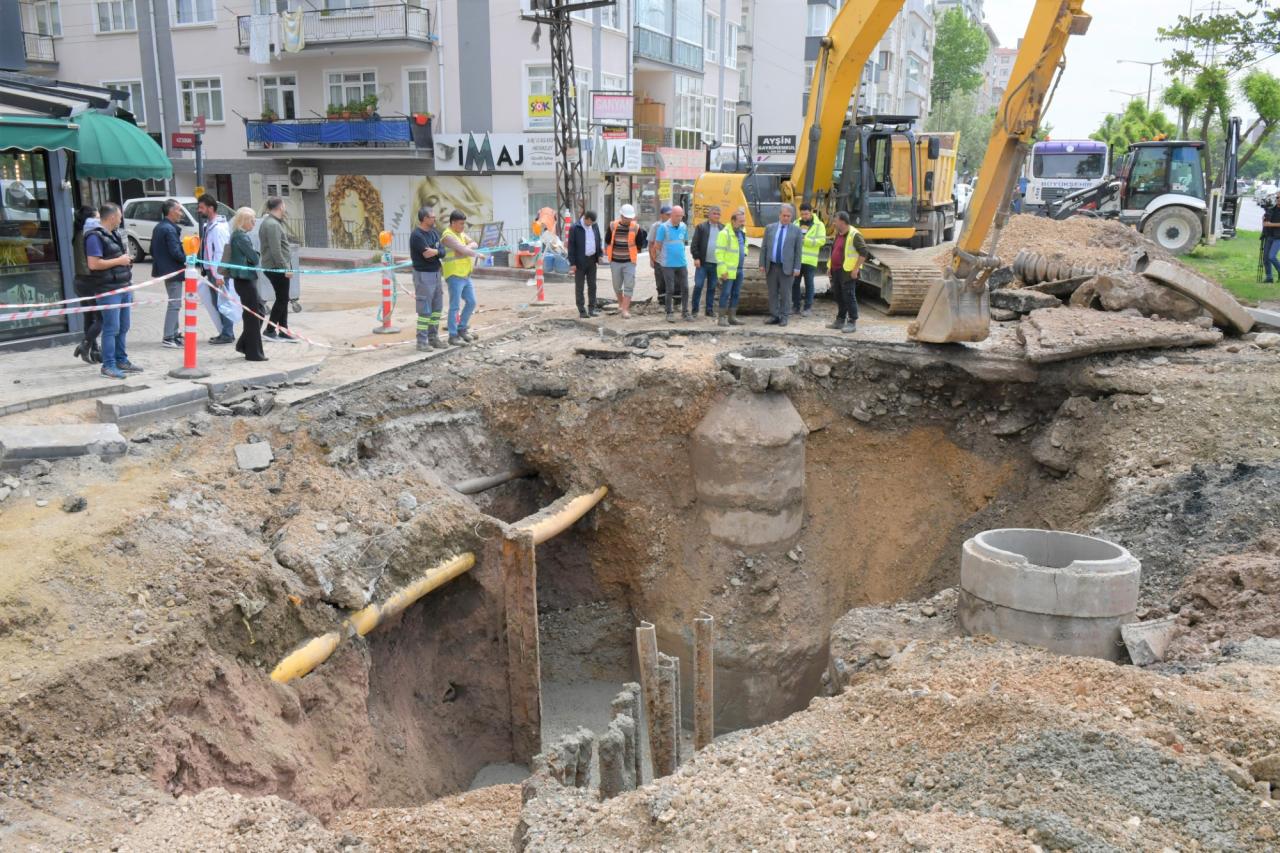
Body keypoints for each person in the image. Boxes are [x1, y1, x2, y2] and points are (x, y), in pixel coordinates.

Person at [84, 202, 141, 379]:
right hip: (108, 289)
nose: (121, 218)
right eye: (120, 215)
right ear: (111, 217)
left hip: (122, 286)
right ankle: (108, 365)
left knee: (123, 326)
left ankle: (121, 360)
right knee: (111, 328)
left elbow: (116, 258)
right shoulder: (94, 237)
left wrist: (125, 260)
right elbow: (93, 264)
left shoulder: (114, 234)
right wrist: (119, 261)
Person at [226, 207, 267, 362]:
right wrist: (255, 254)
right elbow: (255, 258)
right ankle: (253, 352)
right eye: (252, 220)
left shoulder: (238, 235)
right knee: (253, 315)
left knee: (258, 311)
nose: (254, 222)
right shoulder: (241, 237)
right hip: (245, 279)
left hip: (244, 279)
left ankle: (245, 344)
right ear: (243, 221)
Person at [440, 210, 484, 345]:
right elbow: (465, 250)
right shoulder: (447, 236)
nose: (463, 226)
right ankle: (453, 336)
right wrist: (475, 254)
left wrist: (465, 248)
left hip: (465, 274)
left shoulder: (461, 234)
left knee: (471, 302)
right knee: (454, 306)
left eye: (464, 224)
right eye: (460, 224)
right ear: (453, 223)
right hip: (454, 274)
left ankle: (462, 328)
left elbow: (474, 244)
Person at [196, 194, 235, 344]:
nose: (199, 210)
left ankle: (227, 333)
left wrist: (219, 275)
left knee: (223, 303)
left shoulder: (218, 229)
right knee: (218, 302)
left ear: (211, 208)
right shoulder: (209, 226)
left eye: (202, 208)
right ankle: (224, 332)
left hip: (218, 274)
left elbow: (221, 252)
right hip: (212, 272)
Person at [408, 205, 447, 351]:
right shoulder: (417, 236)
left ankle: (433, 338)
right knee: (425, 310)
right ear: (425, 219)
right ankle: (421, 341)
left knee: (437, 308)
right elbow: (427, 255)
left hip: (436, 273)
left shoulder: (434, 233)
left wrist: (436, 251)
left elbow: (443, 252)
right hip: (424, 275)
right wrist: (437, 253)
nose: (435, 218)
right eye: (432, 217)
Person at [151, 198, 187, 349]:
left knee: (175, 303)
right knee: (175, 304)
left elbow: (152, 250)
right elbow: (176, 252)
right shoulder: (169, 229)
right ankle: (168, 336)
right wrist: (189, 259)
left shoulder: (160, 227)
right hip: (173, 271)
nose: (181, 213)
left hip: (166, 270)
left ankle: (174, 333)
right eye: (179, 210)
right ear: (171, 211)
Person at [827, 211, 871, 333]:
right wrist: (829, 267)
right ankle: (840, 320)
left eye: (835, 220)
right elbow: (834, 251)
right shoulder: (839, 234)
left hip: (847, 272)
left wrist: (856, 269)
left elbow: (864, 252)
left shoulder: (854, 235)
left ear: (842, 221)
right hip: (836, 270)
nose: (834, 223)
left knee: (849, 296)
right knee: (838, 295)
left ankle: (852, 321)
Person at [259, 196, 296, 342]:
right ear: (280, 207)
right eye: (284, 205)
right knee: (282, 299)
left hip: (276, 266)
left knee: (283, 298)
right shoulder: (272, 224)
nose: (285, 208)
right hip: (276, 268)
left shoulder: (273, 222)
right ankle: (270, 330)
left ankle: (283, 330)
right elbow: (276, 250)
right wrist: (285, 267)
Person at [759, 204, 803, 326]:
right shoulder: (770, 228)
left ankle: (784, 316)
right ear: (779, 215)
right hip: (771, 266)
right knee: (772, 292)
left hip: (787, 268)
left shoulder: (796, 230)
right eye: (784, 215)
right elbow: (764, 247)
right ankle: (774, 315)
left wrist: (797, 267)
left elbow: (798, 251)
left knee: (786, 293)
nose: (786, 218)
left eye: (789, 216)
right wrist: (762, 264)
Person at [603, 203, 646, 319]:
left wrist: (632, 253)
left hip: (629, 262)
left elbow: (640, 244)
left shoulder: (636, 228)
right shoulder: (613, 226)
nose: (628, 220)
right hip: (615, 261)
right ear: (621, 216)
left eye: (630, 218)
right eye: (626, 218)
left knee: (629, 285)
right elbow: (607, 240)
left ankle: (625, 309)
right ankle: (621, 303)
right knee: (617, 285)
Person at [71, 205, 101, 364]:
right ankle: (86, 344)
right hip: (90, 280)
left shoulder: (77, 234)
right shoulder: (89, 235)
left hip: (79, 281)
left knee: (89, 317)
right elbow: (93, 263)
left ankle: (95, 350)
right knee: (102, 318)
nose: (99, 220)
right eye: (96, 217)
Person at [653, 204, 692, 322]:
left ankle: (685, 311)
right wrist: (658, 259)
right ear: (671, 215)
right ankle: (669, 312)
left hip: (681, 263)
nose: (679, 218)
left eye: (681, 216)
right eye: (677, 216)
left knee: (685, 287)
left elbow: (684, 242)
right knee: (670, 289)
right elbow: (657, 245)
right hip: (667, 264)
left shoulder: (684, 226)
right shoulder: (663, 228)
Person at [568, 210, 604, 318]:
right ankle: (582, 311)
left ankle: (592, 309)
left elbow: (598, 240)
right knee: (580, 286)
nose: (591, 224)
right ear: (586, 218)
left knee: (592, 285)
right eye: (590, 222)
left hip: (592, 260)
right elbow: (571, 246)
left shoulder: (594, 226)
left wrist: (600, 255)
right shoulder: (575, 228)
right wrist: (572, 263)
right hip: (580, 261)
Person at [715, 207, 748, 327]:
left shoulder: (742, 232)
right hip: (728, 271)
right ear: (733, 221)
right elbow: (719, 253)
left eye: (744, 221)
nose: (743, 223)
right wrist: (723, 270)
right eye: (740, 221)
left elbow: (745, 244)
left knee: (736, 293)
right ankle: (721, 318)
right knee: (725, 293)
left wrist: (745, 252)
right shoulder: (724, 234)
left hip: (739, 269)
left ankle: (732, 317)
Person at [792, 204, 826, 317]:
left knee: (809, 284)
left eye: (806, 214)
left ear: (811, 212)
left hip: (810, 260)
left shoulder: (819, 225)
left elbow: (821, 241)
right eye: (802, 214)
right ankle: (795, 306)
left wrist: (805, 240)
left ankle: (807, 308)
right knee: (795, 284)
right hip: (797, 260)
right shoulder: (796, 223)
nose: (804, 216)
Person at [691, 205, 722, 319]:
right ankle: (695, 310)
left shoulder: (722, 228)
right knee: (698, 285)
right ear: (709, 215)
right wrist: (696, 258)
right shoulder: (701, 227)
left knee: (712, 287)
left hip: (716, 264)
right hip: (702, 263)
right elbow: (694, 244)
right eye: (714, 213)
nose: (716, 216)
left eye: (718, 214)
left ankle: (709, 310)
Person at [650, 204, 671, 299]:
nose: (670, 216)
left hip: (671, 259)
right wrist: (651, 259)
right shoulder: (656, 226)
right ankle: (662, 300)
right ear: (661, 215)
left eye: (671, 214)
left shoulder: (674, 225)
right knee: (660, 280)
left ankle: (672, 300)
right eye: (667, 214)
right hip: (658, 258)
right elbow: (651, 243)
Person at [1262, 192, 1280, 284]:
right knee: (1265, 258)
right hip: (1270, 235)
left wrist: (1271, 224)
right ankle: (1269, 277)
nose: (1278, 199)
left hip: (1278, 237)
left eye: (1279, 197)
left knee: (1272, 256)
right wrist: (1264, 220)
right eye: (1277, 197)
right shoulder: (1272, 209)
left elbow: (1271, 224)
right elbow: (1266, 222)